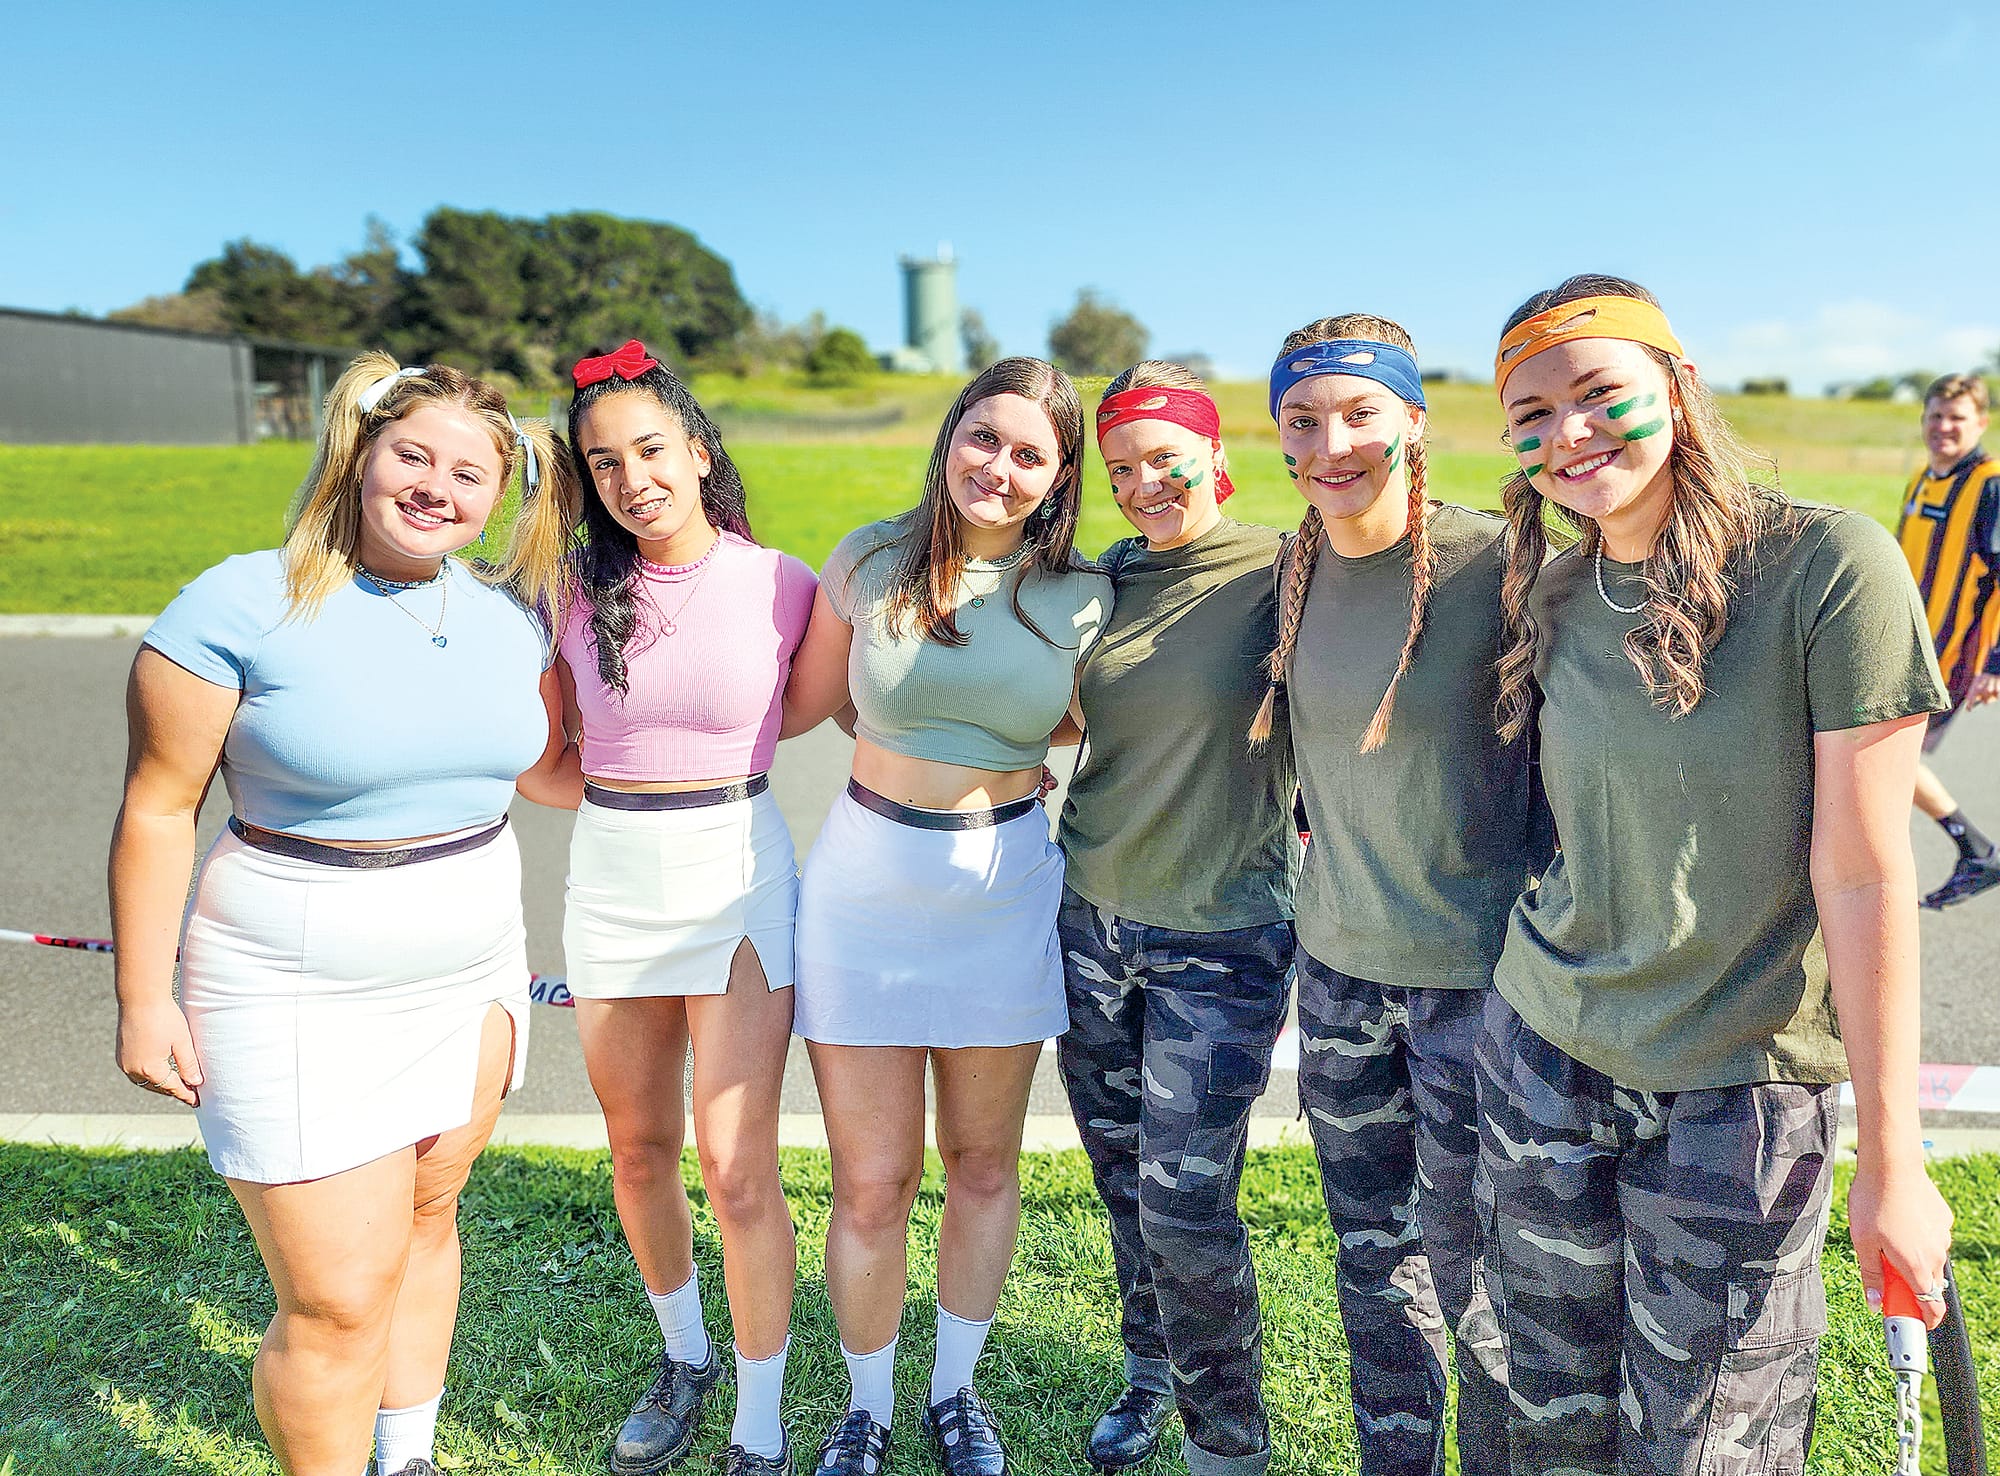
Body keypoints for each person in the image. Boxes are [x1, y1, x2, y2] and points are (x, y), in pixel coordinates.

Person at [1481, 275, 1954, 1474]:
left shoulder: (1827, 567)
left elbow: (1862, 875)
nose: (1564, 434)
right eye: (1528, 414)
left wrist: (1894, 1164)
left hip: (1736, 1101)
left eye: (1597, 395)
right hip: (1543, 1061)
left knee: (1705, 1454)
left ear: (1679, 390)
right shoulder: (1546, 588)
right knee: (1546, 1428)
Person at [109, 353, 574, 1476]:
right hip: (290, 970)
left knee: (426, 1218)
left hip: (470, 964)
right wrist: (140, 998)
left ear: (498, 492)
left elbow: (550, 774)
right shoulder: (236, 601)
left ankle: (404, 1455)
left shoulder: (511, 622)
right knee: (332, 1301)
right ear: (358, 452)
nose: (437, 488)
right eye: (413, 455)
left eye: (469, 472)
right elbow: (158, 809)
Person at [783, 357, 1111, 1476]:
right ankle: (864, 1408)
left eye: (1031, 454)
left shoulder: (1081, 594)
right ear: (949, 437)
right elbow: (811, 707)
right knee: (871, 1181)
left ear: (1060, 475)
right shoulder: (868, 559)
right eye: (984, 438)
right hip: (862, 891)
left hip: (1003, 893)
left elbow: (1077, 723)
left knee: (981, 1164)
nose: (1000, 468)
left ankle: (955, 1395)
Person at [515, 341, 815, 1476]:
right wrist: (619, 792)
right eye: (601, 464)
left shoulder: (781, 581)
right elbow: (543, 763)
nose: (630, 477)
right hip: (611, 879)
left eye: (649, 450)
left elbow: (814, 710)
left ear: (696, 452)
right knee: (637, 1152)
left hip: (737, 875)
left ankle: (758, 1417)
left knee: (736, 1164)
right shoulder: (567, 592)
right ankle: (684, 1358)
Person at [1249, 316, 1536, 1476]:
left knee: (1493, 1277)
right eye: (1303, 420)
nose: (1334, 443)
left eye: (1361, 413)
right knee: (1373, 1262)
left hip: (1486, 988)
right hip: (1339, 979)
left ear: (1413, 420)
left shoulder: (1504, 566)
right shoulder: (1290, 568)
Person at [1054, 363, 1296, 1476]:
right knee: (1121, 1183)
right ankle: (1150, 1372)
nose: (1145, 483)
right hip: (1087, 921)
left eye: (1164, 459)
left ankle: (1226, 1439)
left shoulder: (1289, 569)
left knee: (1184, 1200)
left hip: (1222, 935)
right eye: (1120, 469)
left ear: (1216, 459)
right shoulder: (1102, 580)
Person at [1893, 372, 2000, 908]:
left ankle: (1972, 850)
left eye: (1957, 417)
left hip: (1952, 654)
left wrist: (1997, 665)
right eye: (1936, 415)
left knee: (1881, 748)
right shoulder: (1921, 480)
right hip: (1905, 644)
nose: (1944, 427)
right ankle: (1975, 850)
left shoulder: (1991, 484)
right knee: (1886, 751)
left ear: (1980, 423)